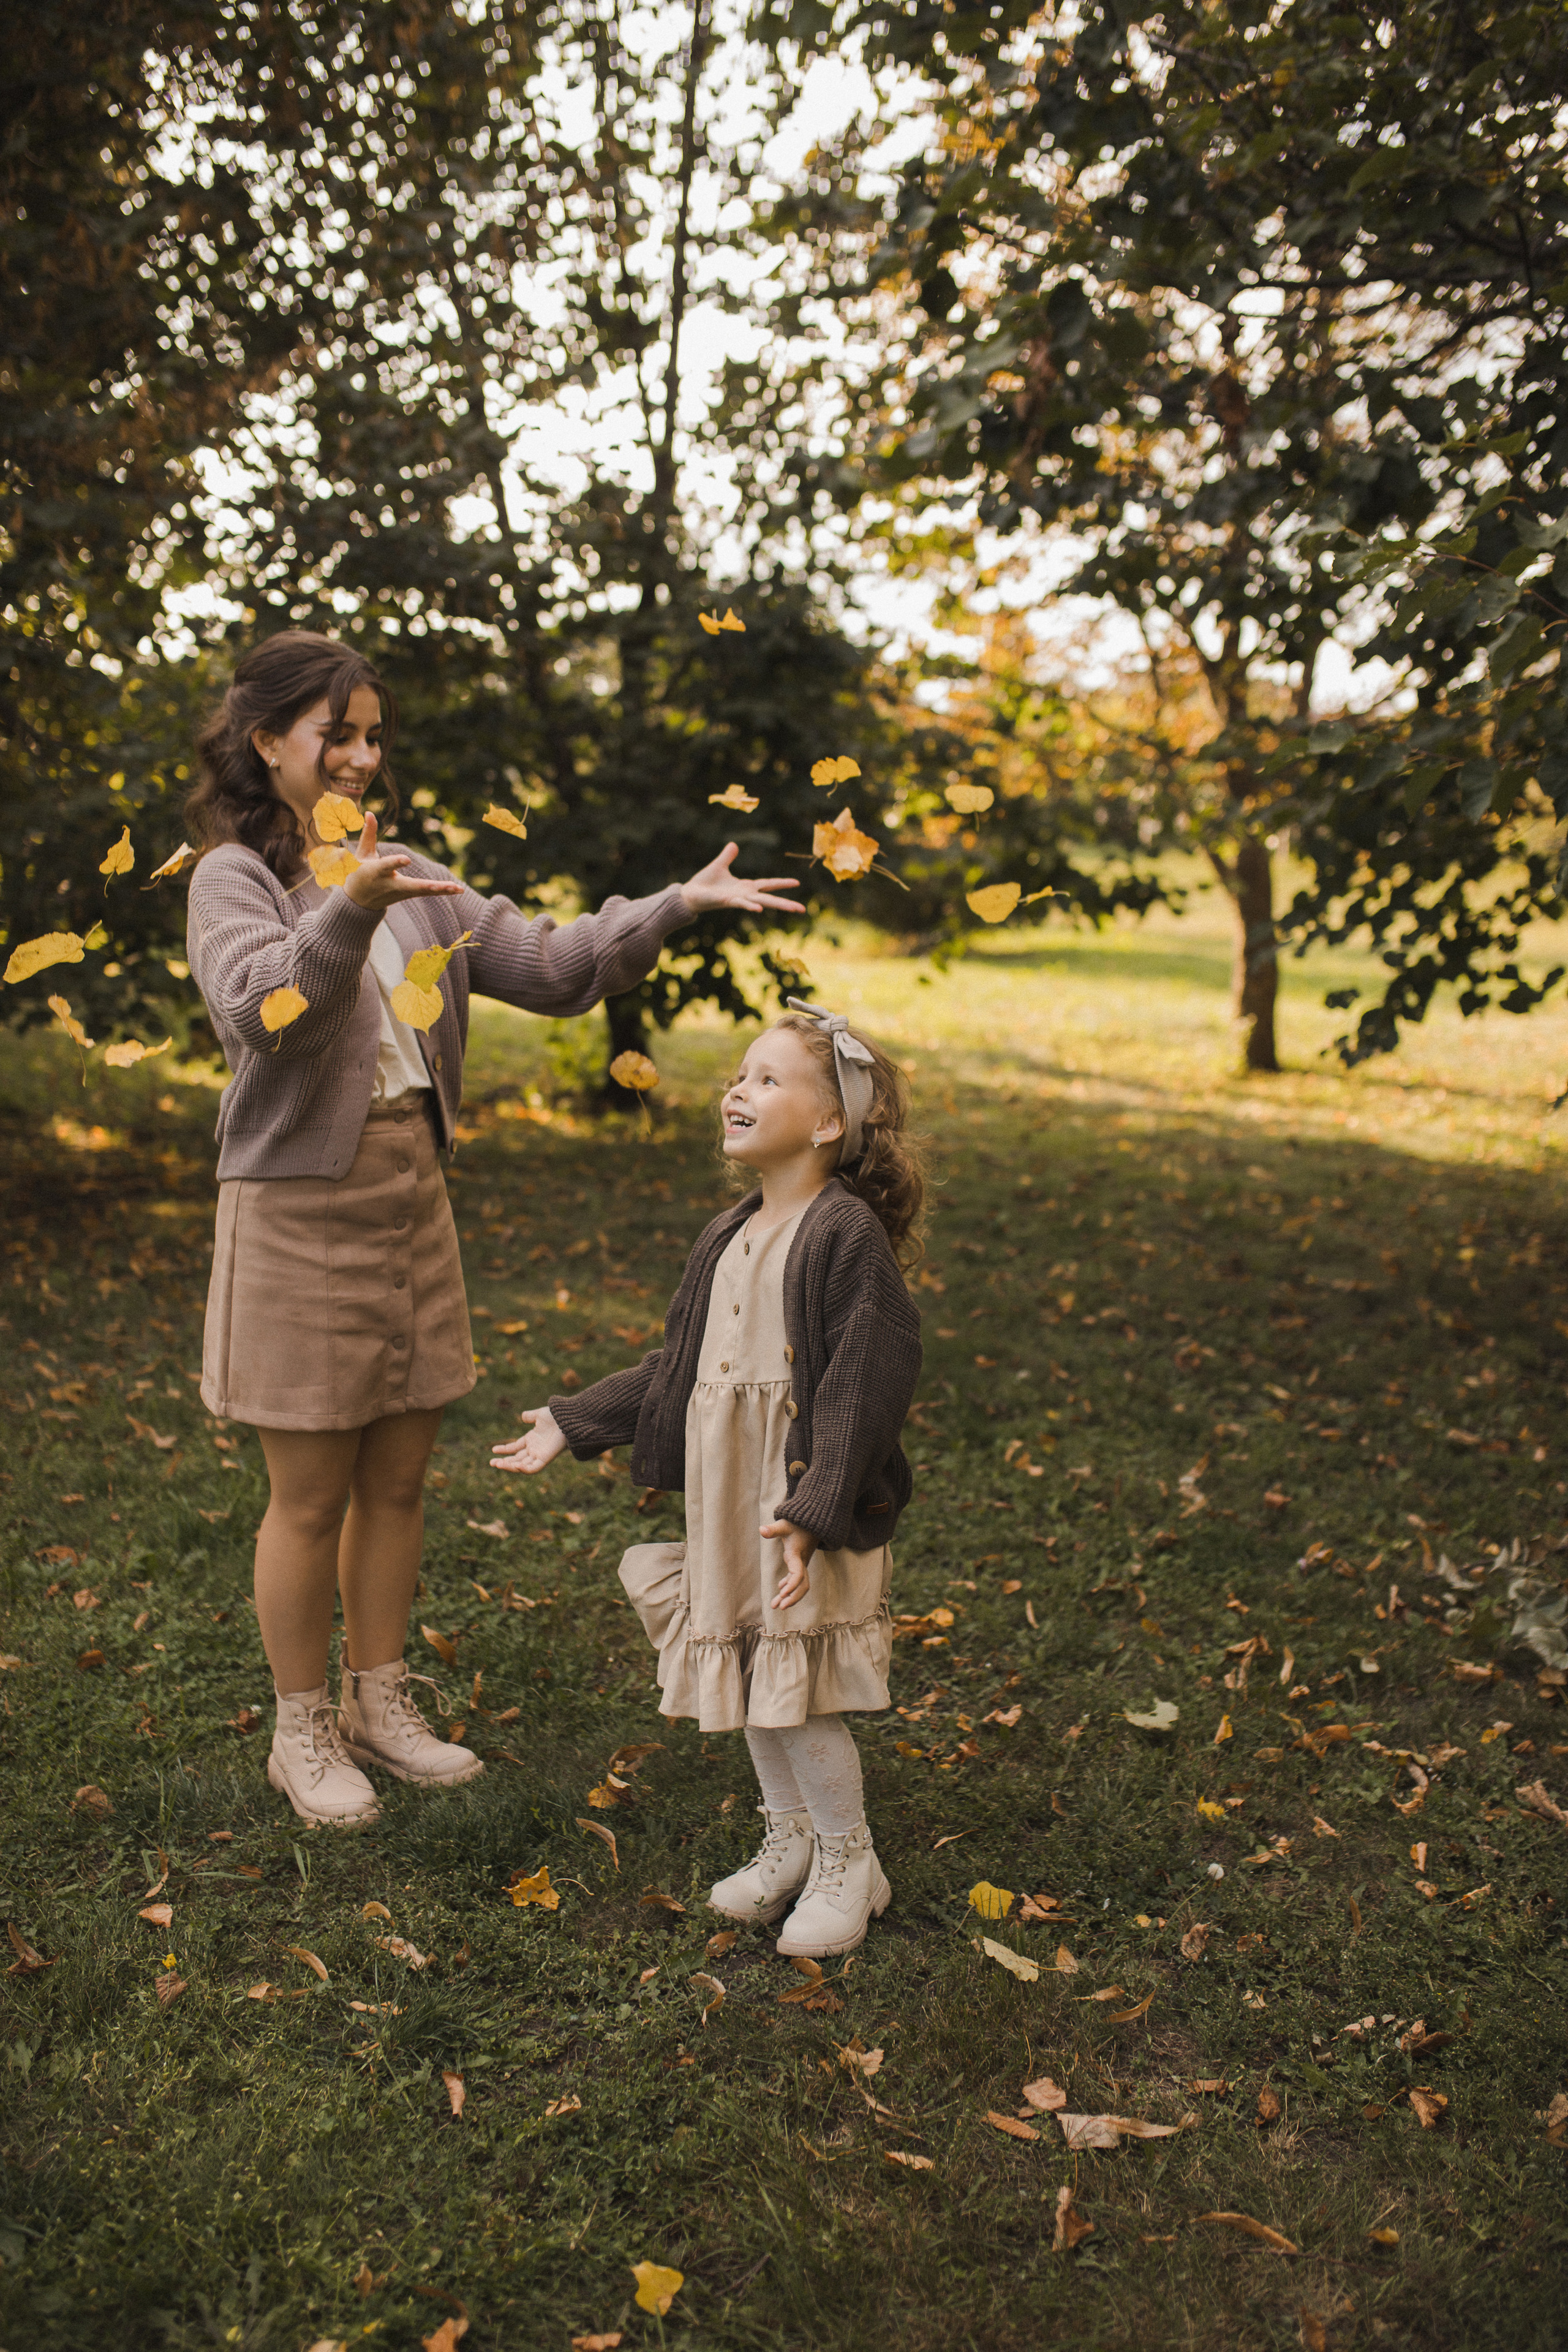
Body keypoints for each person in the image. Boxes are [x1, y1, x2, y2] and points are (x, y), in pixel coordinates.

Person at [184, 629, 801, 1830]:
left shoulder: (405, 870)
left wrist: (675, 903)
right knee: (310, 1492)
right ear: (268, 744)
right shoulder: (234, 879)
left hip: (412, 1195)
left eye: (375, 736)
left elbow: (555, 965)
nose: (363, 756)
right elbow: (270, 1015)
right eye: (337, 734)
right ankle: (300, 1730)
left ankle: (379, 1702)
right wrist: (350, 904)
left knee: (401, 1479)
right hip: (301, 1207)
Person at [491, 1001, 922, 1958]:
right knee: (749, 1668)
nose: (739, 1089)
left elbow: (864, 1382)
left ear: (828, 1123)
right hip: (730, 1497)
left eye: (769, 1079)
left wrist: (815, 1511)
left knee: (799, 1688)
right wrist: (577, 1420)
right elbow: (682, 1368)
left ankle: (853, 1858)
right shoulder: (728, 1233)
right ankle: (794, 1837)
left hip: (804, 1502)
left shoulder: (843, 1235)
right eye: (739, 1074)